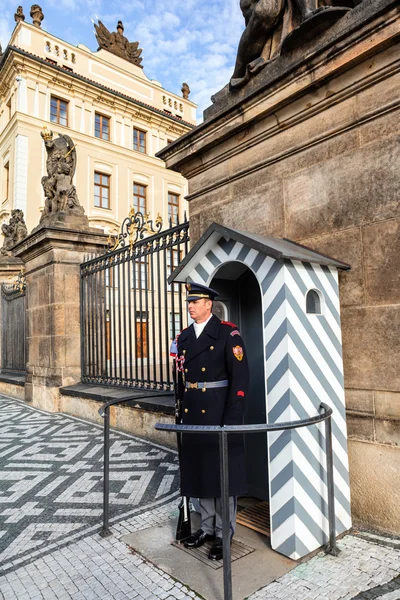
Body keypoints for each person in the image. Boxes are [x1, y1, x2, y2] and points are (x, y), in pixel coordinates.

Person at [171, 282, 250, 560]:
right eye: (189, 302)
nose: (190, 306)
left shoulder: (229, 333)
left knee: (222, 475)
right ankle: (205, 527)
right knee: (200, 471)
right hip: (193, 413)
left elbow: (240, 379)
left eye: (196, 301)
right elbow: (180, 378)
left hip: (218, 413)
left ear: (209, 305)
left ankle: (222, 532)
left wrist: (231, 419)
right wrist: (179, 407)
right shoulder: (183, 338)